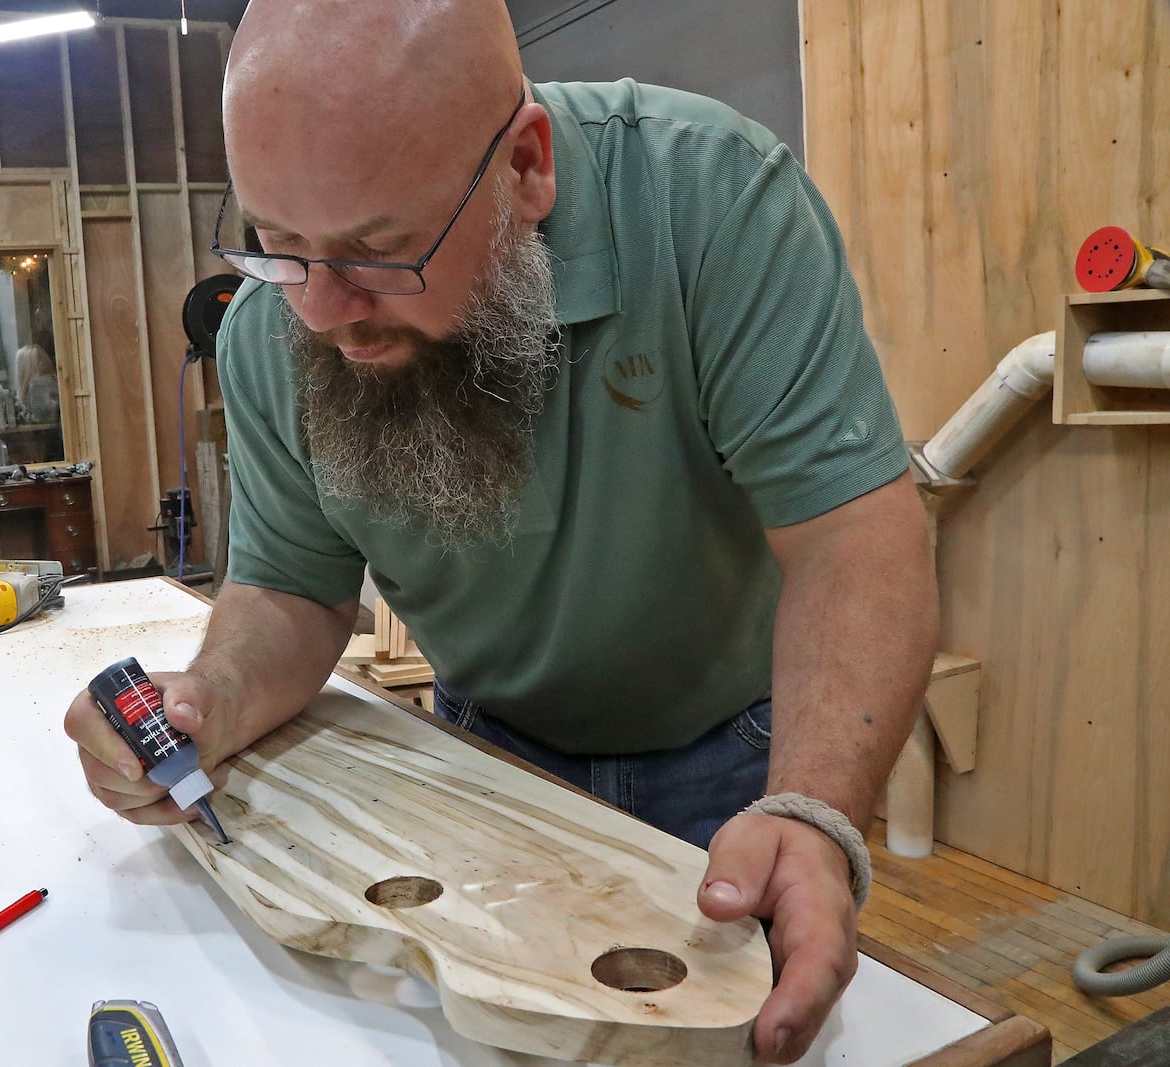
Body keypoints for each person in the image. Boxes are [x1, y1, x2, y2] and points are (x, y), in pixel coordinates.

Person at [65, 1, 937, 1061]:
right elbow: (293, 588)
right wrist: (207, 702)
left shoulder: (708, 199)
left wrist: (814, 807)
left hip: (736, 755)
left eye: (377, 250)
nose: (324, 311)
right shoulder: (273, 327)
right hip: (480, 753)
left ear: (526, 166)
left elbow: (852, 533)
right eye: (276, 243)